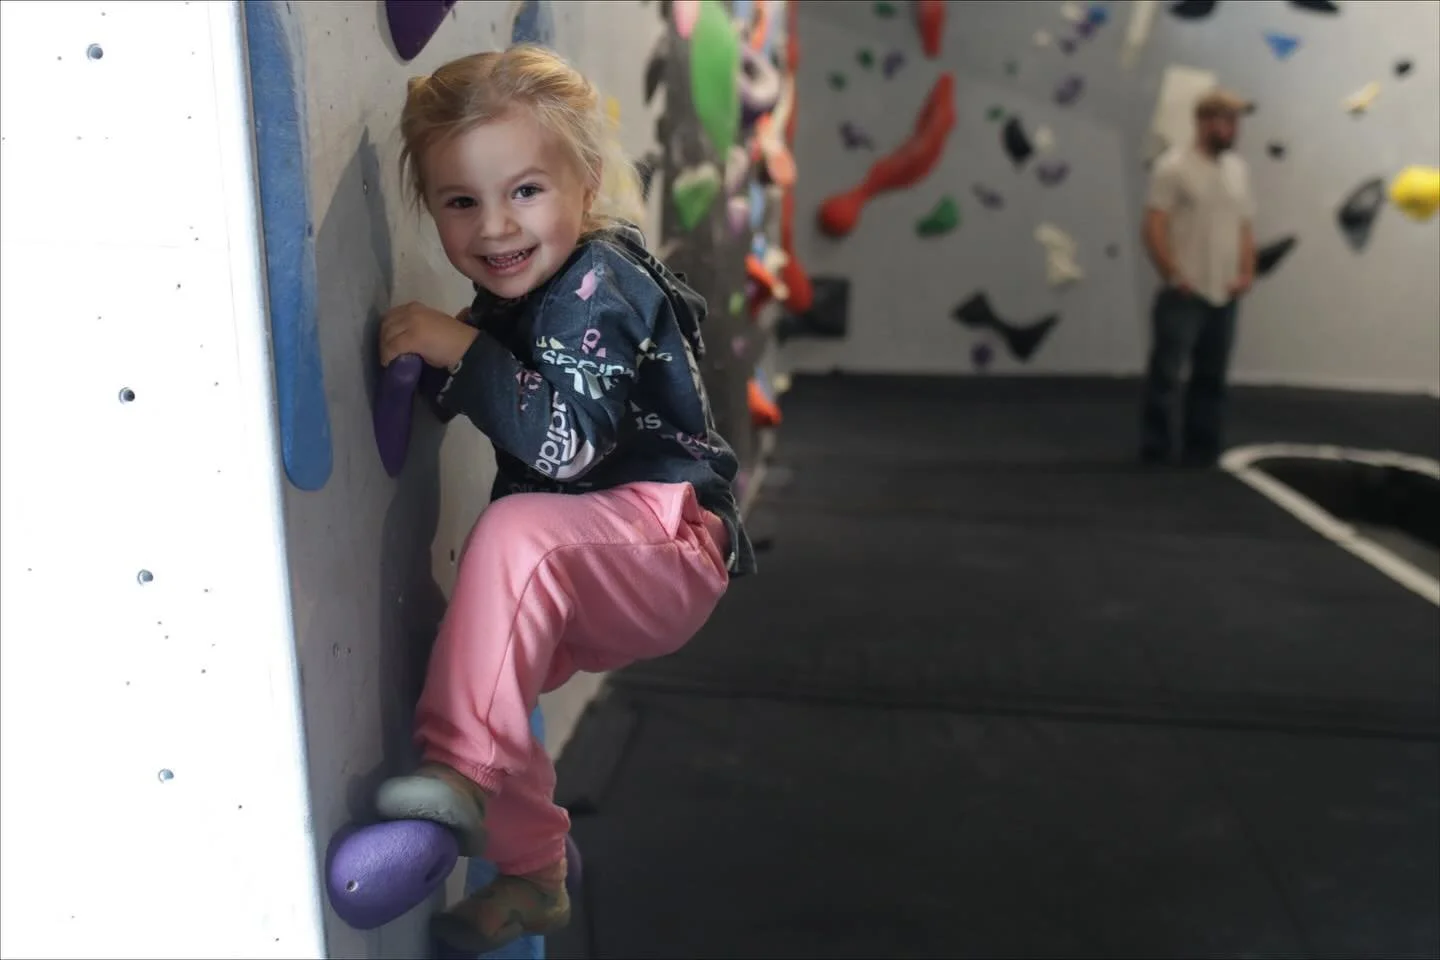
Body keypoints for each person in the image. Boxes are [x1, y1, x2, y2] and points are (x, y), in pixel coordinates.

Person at [370, 45, 756, 953]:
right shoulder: (516, 298)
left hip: (668, 540)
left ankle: (461, 766)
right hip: (605, 555)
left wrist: (457, 354)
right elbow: (500, 385)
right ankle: (533, 871)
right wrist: (435, 362)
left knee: (513, 539)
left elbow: (569, 442)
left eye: (525, 192)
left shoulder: (599, 283)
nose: (495, 226)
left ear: (585, 183)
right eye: (461, 201)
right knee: (479, 655)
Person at [1139, 87, 1257, 467]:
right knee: (1167, 375)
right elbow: (1154, 225)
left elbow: (1244, 225)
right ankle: (1156, 447)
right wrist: (1172, 273)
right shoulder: (1173, 167)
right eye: (1227, 120)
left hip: (1224, 290)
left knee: (1212, 376)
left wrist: (1246, 272)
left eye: (1236, 121)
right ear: (1205, 122)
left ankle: (1202, 448)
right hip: (1185, 290)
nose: (1233, 129)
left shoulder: (1238, 170)